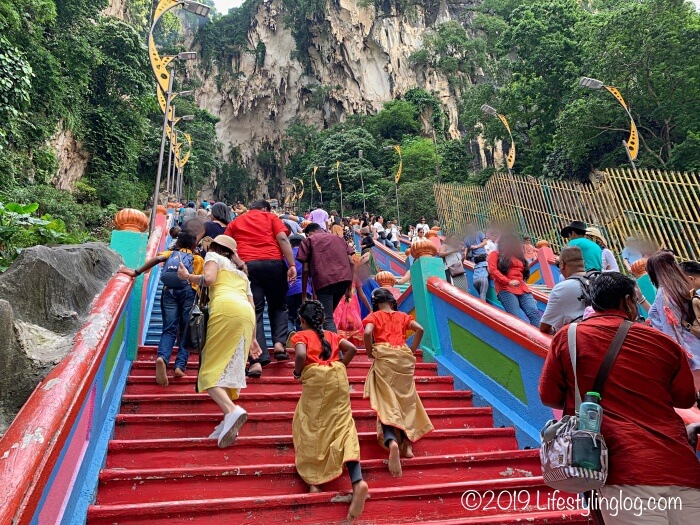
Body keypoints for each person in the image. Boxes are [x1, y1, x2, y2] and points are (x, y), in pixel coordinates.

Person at [539, 272, 700, 524]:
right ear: (627, 301)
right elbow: (684, 398)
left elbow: (549, 396)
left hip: (621, 469)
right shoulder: (664, 343)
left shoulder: (570, 337)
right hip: (681, 466)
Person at [177, 235, 261, 448]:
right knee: (228, 368)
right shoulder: (242, 273)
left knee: (209, 371)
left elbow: (210, 279)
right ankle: (227, 422)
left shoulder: (213, 256)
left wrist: (188, 276)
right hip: (246, 316)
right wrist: (253, 339)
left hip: (225, 309)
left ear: (215, 247)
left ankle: (232, 410)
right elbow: (252, 305)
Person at [291, 301, 369, 521]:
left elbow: (299, 355)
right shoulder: (331, 335)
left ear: (302, 320)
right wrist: (342, 365)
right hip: (337, 379)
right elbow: (352, 349)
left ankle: (314, 483)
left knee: (311, 427)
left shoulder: (301, 335)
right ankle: (358, 480)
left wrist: (297, 373)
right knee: (344, 427)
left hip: (315, 381)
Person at [363, 288, 433, 477]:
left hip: (385, 360)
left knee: (387, 404)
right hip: (403, 358)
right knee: (405, 402)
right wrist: (411, 349)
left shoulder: (374, 317)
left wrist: (370, 351)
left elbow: (368, 332)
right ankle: (407, 446)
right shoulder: (403, 316)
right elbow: (420, 329)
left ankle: (392, 440)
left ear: (375, 302)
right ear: (391, 301)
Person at [119, 231, 203, 386]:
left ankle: (162, 357)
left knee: (169, 329)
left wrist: (136, 272)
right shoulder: (197, 259)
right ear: (194, 245)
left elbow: (157, 258)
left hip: (169, 291)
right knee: (185, 330)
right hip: (189, 293)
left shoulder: (170, 253)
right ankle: (179, 366)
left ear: (177, 243)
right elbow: (202, 280)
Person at [224, 200, 297, 377]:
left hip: (248, 266)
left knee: (254, 311)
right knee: (279, 305)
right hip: (274, 263)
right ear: (266, 209)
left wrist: (238, 264)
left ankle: (259, 356)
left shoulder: (236, 221)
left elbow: (226, 246)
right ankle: (279, 343)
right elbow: (282, 238)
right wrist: (292, 264)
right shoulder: (271, 217)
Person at [647, 251, 700, 392]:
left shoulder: (664, 293)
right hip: (696, 345)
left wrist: (678, 360)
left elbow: (671, 330)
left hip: (689, 355)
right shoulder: (685, 287)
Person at [297, 223, 356, 331]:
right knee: (324, 316)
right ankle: (322, 343)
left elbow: (305, 269)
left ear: (309, 233)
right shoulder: (339, 239)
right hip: (343, 280)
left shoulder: (309, 240)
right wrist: (349, 288)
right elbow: (351, 262)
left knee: (326, 318)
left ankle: (333, 346)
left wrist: (304, 295)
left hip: (324, 281)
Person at [487, 233, 541, 326]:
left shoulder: (518, 256)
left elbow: (523, 272)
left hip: (522, 287)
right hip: (505, 288)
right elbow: (493, 270)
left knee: (534, 313)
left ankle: (538, 340)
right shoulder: (495, 254)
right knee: (515, 318)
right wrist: (508, 281)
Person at [539, 246, 588, 334]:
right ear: (583, 263)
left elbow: (545, 327)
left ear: (562, 264)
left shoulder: (560, 289)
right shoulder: (601, 280)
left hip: (581, 339)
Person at [287, 234, 312, 333]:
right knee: (302, 316)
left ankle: (289, 333)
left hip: (289, 290)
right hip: (305, 290)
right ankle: (301, 338)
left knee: (289, 315)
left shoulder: (286, 256)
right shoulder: (307, 256)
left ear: (290, 244)